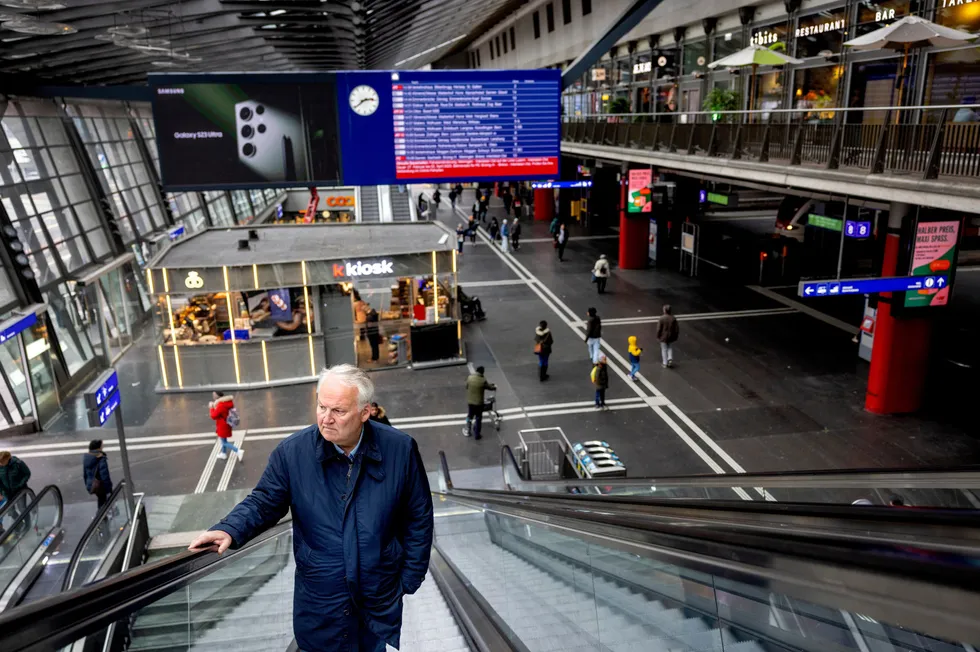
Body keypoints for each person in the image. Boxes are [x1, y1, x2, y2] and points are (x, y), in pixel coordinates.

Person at [189, 365, 434, 652]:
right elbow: (264, 500)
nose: (325, 419)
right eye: (321, 406)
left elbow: (418, 517)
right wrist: (229, 528)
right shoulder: (293, 453)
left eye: (338, 411)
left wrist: (408, 578)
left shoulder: (400, 449)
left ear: (365, 412)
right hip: (321, 602)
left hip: (377, 600)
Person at [209, 391, 243, 461]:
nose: (213, 396)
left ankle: (238, 451)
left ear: (218, 396)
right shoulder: (226, 402)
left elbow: (213, 416)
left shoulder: (221, 405)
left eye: (214, 394)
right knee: (223, 439)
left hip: (222, 425)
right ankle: (223, 453)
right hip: (226, 423)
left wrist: (211, 408)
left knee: (224, 442)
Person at [464, 366, 495, 440]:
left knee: (469, 416)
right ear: (482, 372)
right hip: (479, 404)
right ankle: (477, 434)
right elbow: (489, 387)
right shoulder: (482, 380)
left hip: (470, 402)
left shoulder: (470, 377)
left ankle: (467, 430)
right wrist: (494, 387)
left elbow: (466, 386)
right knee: (478, 418)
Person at [83, 440, 113, 509]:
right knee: (103, 502)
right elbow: (104, 475)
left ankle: (102, 515)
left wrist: (88, 484)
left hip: (92, 484)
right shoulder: (100, 458)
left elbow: (85, 474)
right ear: (98, 448)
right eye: (101, 446)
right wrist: (109, 488)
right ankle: (102, 516)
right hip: (100, 485)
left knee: (101, 500)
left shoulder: (87, 458)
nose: (102, 447)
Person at [0, 451, 31, 517]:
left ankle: (28, 524)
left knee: (22, 508)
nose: (0, 464)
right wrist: (1, 491)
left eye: (2, 462)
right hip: (6, 492)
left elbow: (27, 473)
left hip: (19, 490)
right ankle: (19, 525)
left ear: (7, 459)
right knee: (10, 511)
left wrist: (20, 485)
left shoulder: (18, 463)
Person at [656, 304, 679, 368]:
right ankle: (670, 358)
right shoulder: (673, 318)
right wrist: (676, 336)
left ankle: (665, 363)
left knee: (664, 349)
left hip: (663, 336)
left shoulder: (661, 318)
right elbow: (676, 328)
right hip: (671, 335)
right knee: (670, 347)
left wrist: (658, 336)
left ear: (665, 310)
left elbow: (659, 328)